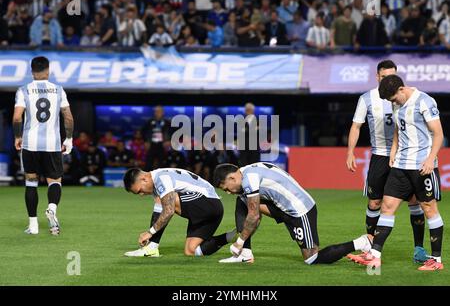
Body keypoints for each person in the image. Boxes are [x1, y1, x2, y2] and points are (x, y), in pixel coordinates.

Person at [355, 74, 444, 271]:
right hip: (400, 165)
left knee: (429, 208)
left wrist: (431, 159)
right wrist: (394, 149)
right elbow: (398, 128)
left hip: (422, 166)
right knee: (387, 206)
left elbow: (438, 133)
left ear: (402, 89)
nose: (393, 102)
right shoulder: (397, 103)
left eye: (394, 98)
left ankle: (436, 260)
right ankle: (375, 255)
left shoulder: (425, 101)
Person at [346, 60, 429, 264]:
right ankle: (370, 247)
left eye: (392, 76)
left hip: (405, 155)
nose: (388, 80)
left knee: (413, 202)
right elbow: (356, 126)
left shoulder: (406, 97)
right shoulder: (366, 99)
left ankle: (419, 248)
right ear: (377, 77)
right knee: (375, 202)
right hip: (380, 156)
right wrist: (350, 152)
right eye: (384, 77)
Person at [213, 162, 373, 264]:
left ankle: (361, 242)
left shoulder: (250, 179)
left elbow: (254, 216)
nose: (227, 192)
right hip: (282, 206)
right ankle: (245, 255)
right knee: (242, 200)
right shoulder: (247, 171)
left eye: (226, 188)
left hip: (299, 210)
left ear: (233, 177)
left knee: (312, 258)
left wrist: (239, 241)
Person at [12, 56, 74, 235]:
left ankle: (33, 226)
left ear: (32, 71)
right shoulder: (59, 90)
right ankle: (52, 209)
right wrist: (68, 139)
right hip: (52, 145)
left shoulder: (23, 90)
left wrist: (17, 136)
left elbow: (17, 117)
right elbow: (68, 117)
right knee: (54, 181)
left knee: (31, 182)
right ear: (48, 70)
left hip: (30, 144)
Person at [122, 167, 237, 257]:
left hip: (208, 203)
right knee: (191, 251)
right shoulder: (157, 179)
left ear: (144, 179)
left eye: (140, 190)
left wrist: (150, 232)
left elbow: (169, 210)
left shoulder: (161, 178)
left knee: (167, 202)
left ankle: (151, 247)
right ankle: (232, 236)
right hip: (208, 209)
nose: (141, 194)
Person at [142, 105, 171, 170]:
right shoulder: (150, 122)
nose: (157, 113)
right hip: (152, 145)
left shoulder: (167, 123)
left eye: (159, 111)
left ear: (163, 113)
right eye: (156, 111)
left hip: (162, 146)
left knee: (163, 165)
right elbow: (143, 132)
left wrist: (169, 141)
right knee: (148, 165)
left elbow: (174, 133)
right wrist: (146, 141)